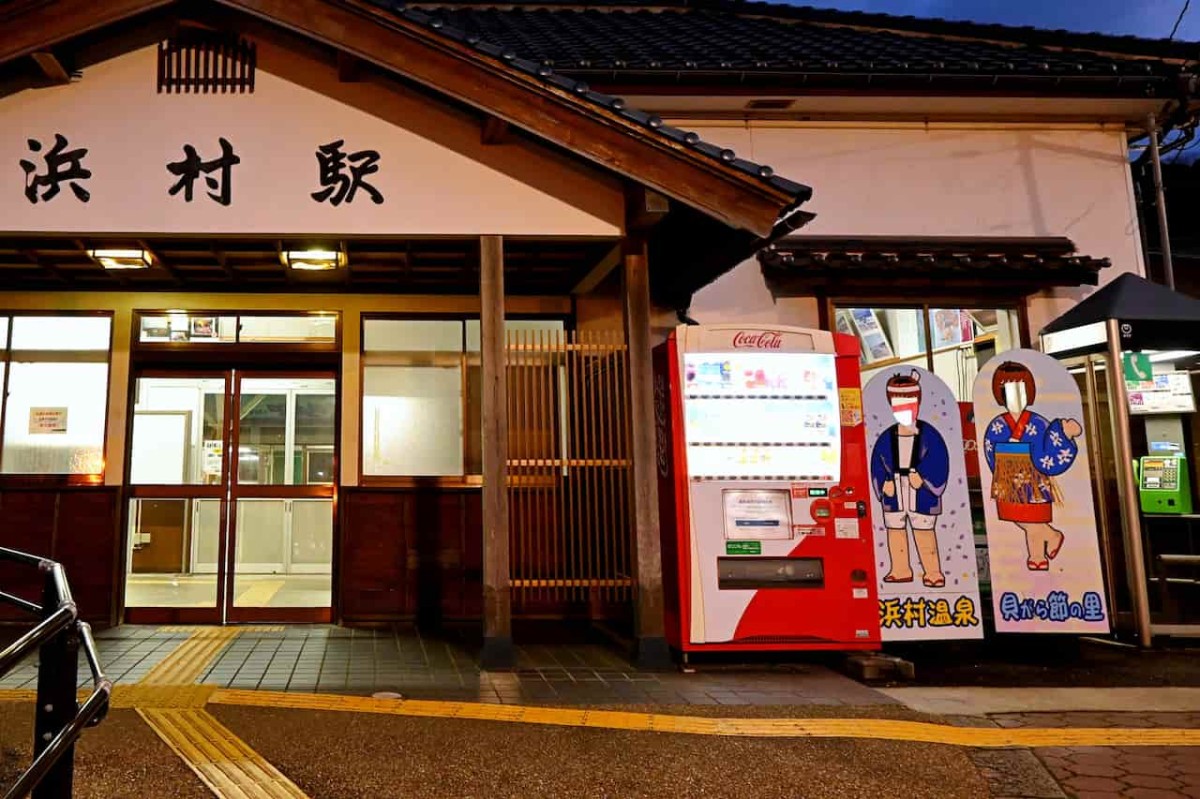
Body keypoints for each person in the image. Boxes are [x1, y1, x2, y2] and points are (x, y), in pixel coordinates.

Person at [982, 361, 1083, 571]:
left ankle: (1037, 556)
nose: (1016, 397)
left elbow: (1049, 448)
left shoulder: (1037, 422)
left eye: (1020, 390)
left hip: (1034, 479)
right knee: (1018, 517)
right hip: (1008, 479)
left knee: (1032, 517)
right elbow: (990, 448)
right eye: (1009, 391)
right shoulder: (997, 424)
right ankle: (1051, 536)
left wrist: (1065, 433)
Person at [870, 370, 949, 588]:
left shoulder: (930, 434)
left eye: (909, 403)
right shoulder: (886, 436)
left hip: (920, 487)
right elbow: (877, 462)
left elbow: (939, 460)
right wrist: (883, 482)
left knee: (924, 530)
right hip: (894, 486)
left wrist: (924, 479)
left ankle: (933, 572)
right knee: (895, 530)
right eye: (898, 404)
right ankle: (900, 569)